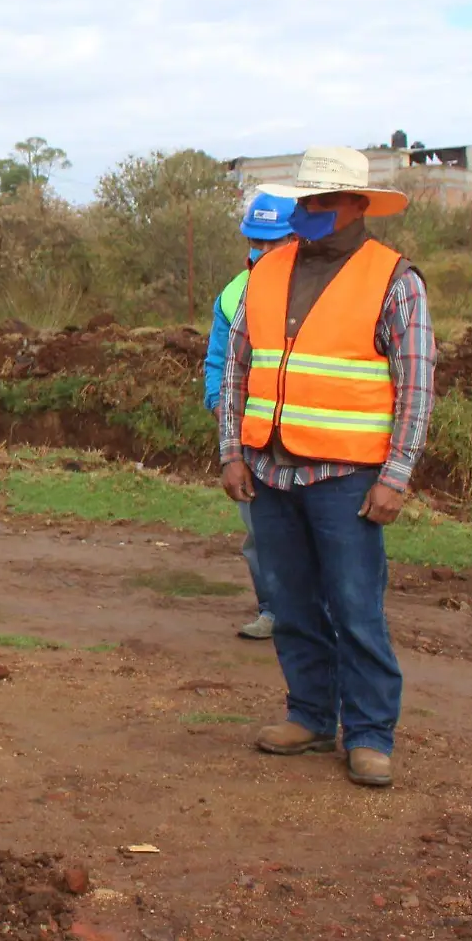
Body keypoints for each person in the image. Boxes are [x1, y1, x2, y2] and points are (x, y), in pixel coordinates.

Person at [218, 146, 435, 789]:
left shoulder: (395, 280)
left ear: (356, 205)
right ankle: (310, 715)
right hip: (270, 471)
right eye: (305, 200)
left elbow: (416, 386)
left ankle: (369, 734)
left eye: (322, 201)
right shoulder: (265, 272)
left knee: (355, 607)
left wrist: (397, 474)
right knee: (290, 603)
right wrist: (232, 450)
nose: (309, 211)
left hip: (348, 479)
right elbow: (237, 370)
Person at [205, 193, 295, 641]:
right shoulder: (234, 293)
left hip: (305, 439)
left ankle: (321, 618)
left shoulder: (315, 288)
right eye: (256, 241)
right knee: (260, 532)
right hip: (251, 439)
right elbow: (217, 362)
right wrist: (222, 413)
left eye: (272, 241)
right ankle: (273, 611)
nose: (262, 250)